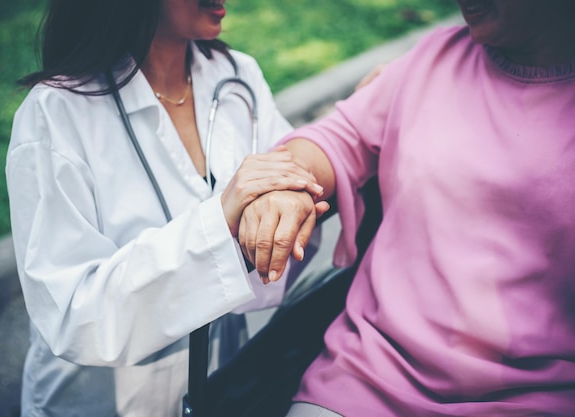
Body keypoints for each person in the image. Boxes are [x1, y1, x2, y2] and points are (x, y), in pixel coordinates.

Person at [239, 1, 575, 415]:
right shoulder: (433, 60)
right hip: (366, 377)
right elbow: (338, 136)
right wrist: (286, 184)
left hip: (533, 399)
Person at [5, 0, 325, 416]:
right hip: (101, 403)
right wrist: (219, 222)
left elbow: (294, 205)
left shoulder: (237, 76)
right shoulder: (54, 116)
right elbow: (72, 315)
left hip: (219, 384)